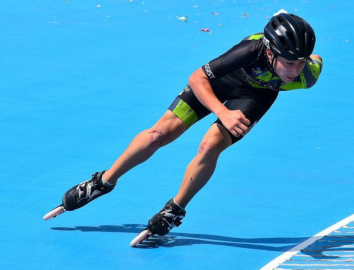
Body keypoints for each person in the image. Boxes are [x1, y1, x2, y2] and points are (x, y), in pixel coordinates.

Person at [53, 13, 323, 237]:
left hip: (254, 96)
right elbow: (197, 78)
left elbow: (316, 61)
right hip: (217, 83)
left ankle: (175, 209)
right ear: (269, 51)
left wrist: (303, 61)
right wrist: (222, 112)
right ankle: (102, 182)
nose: (294, 71)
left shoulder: (306, 76)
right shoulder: (250, 50)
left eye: (300, 63)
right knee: (159, 135)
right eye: (289, 63)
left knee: (210, 145)